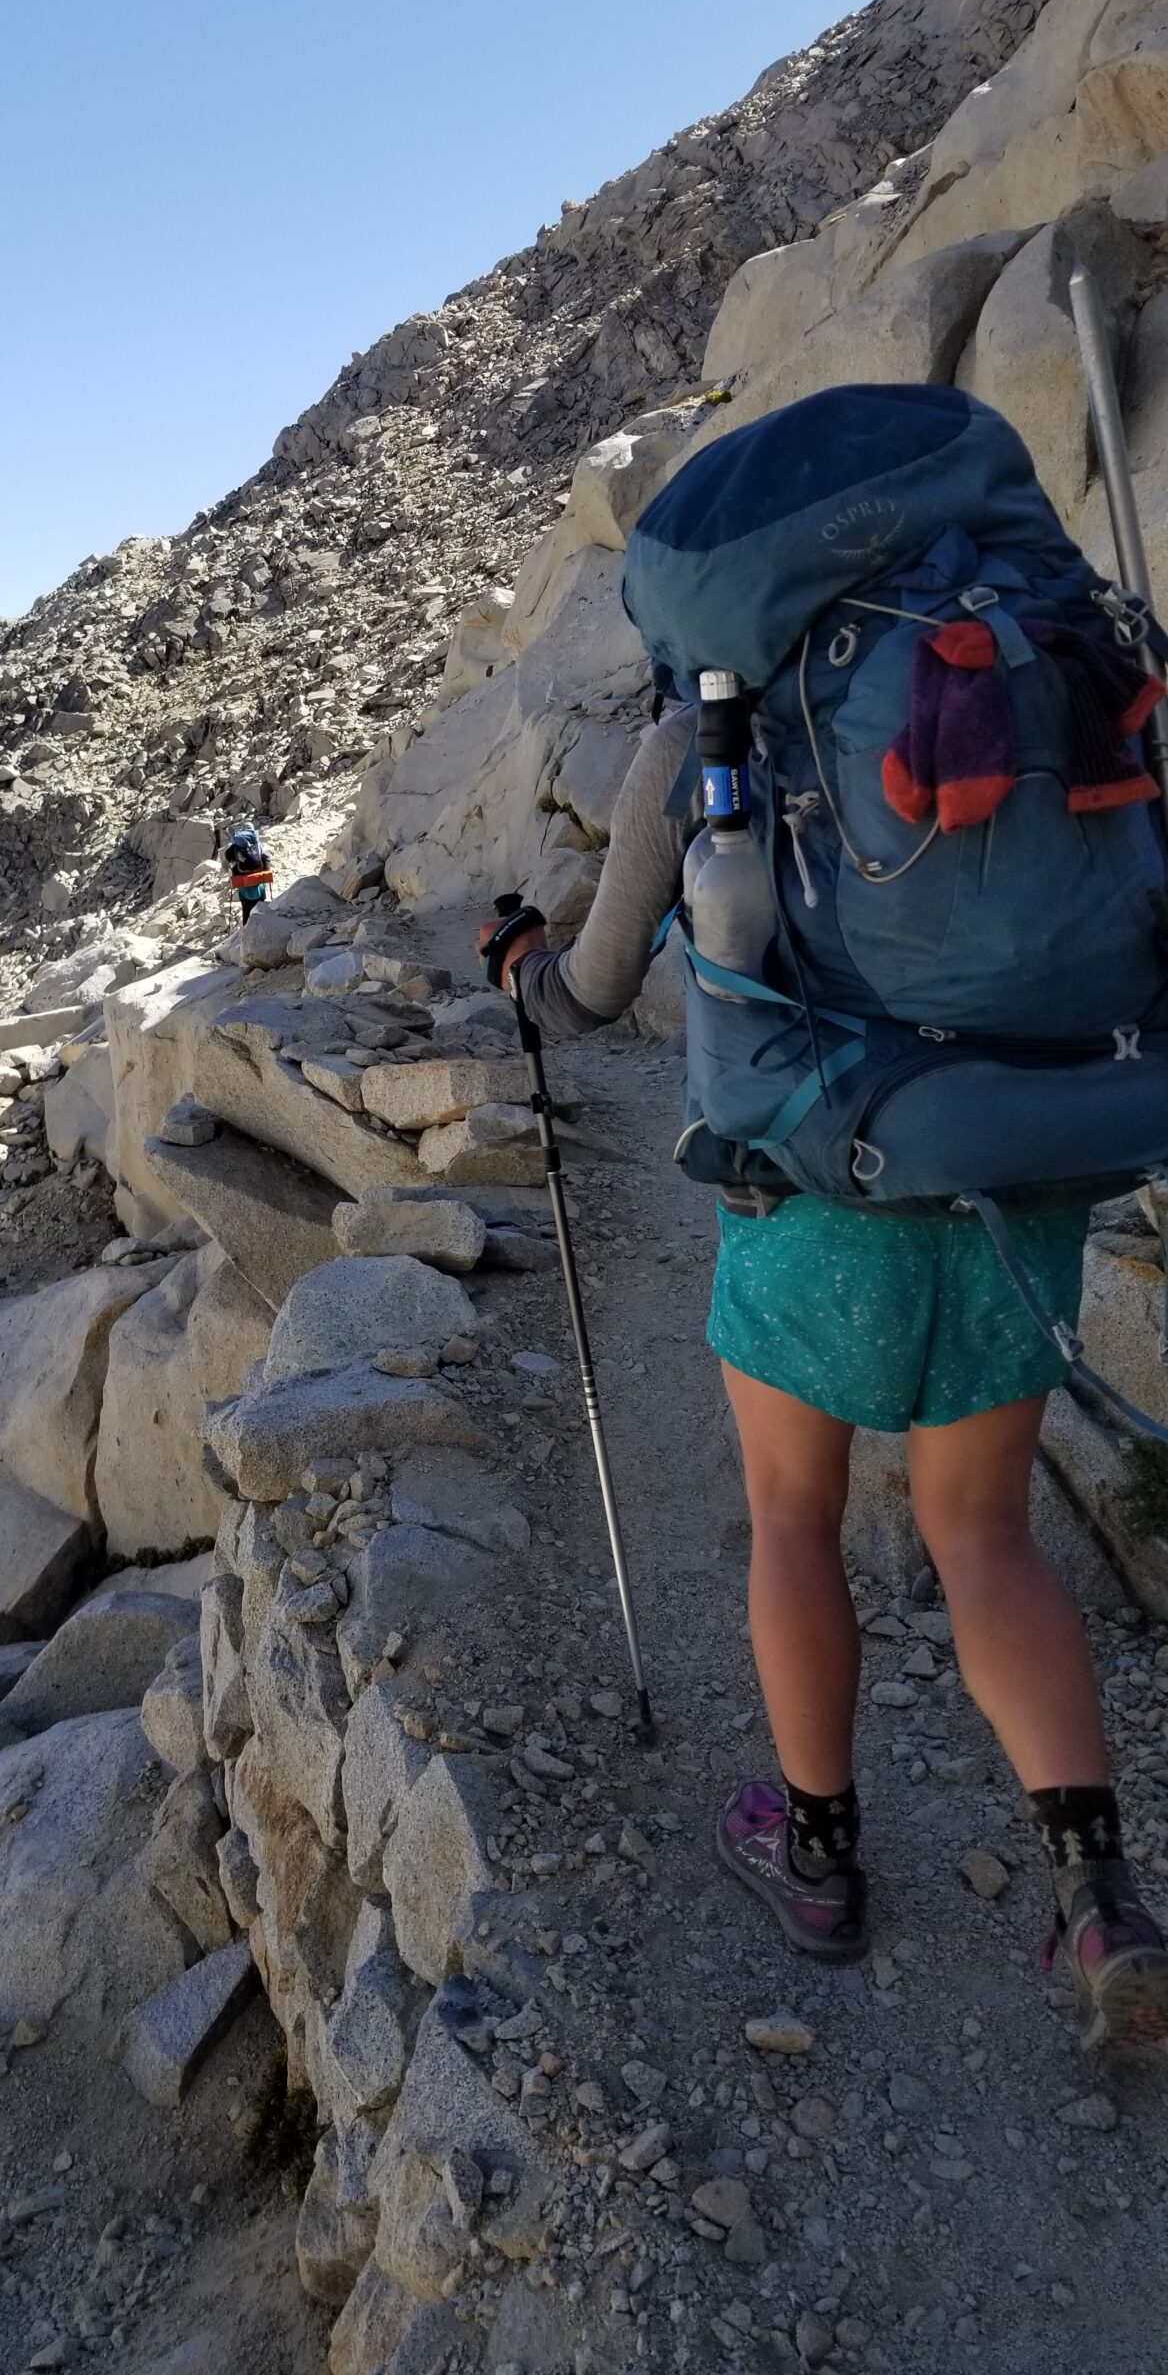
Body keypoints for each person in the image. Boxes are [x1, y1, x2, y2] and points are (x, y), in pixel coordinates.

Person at [479, 703, 1168, 2055]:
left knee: (794, 1515)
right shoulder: (1056, 679)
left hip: (811, 1196)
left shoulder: (715, 734)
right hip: (1014, 1176)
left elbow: (595, 986)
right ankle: (1103, 1903)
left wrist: (524, 972)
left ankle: (817, 1854)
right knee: (982, 1532)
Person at [223, 823, 272, 925]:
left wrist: (236, 865)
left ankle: (246, 929)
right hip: (258, 884)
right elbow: (266, 858)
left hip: (244, 886)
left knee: (246, 911)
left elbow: (227, 856)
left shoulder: (237, 845)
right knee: (259, 909)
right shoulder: (257, 843)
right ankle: (261, 927)